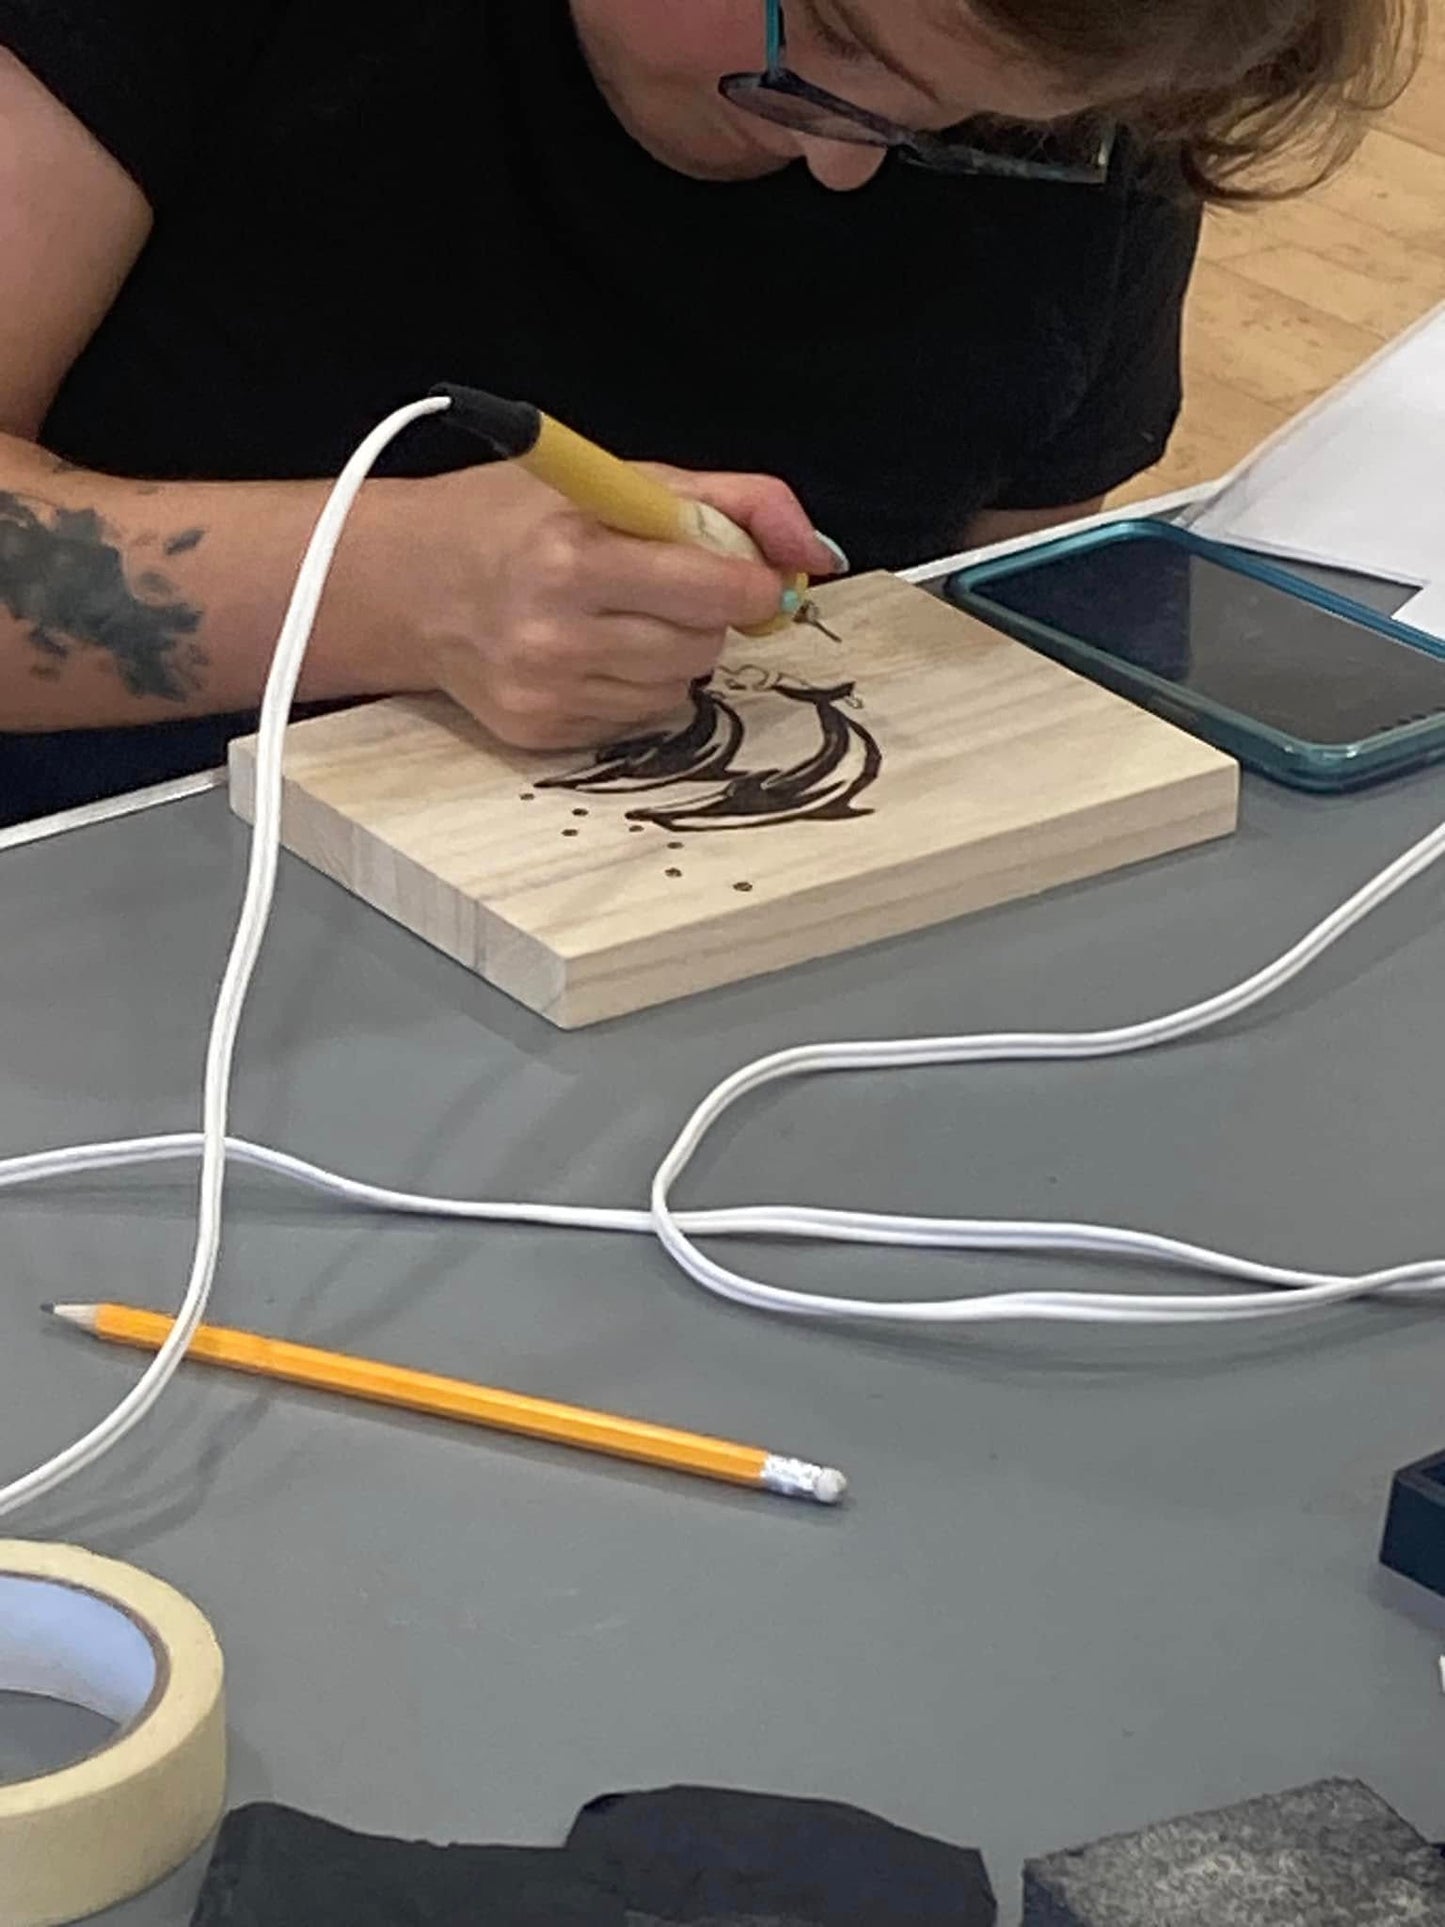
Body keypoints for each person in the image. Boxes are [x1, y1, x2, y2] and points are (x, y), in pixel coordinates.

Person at [0, 0, 1418, 825]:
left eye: (979, 129)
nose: (843, 161)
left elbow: (984, 642)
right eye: (834, 32)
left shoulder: (1098, 119)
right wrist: (385, 589)